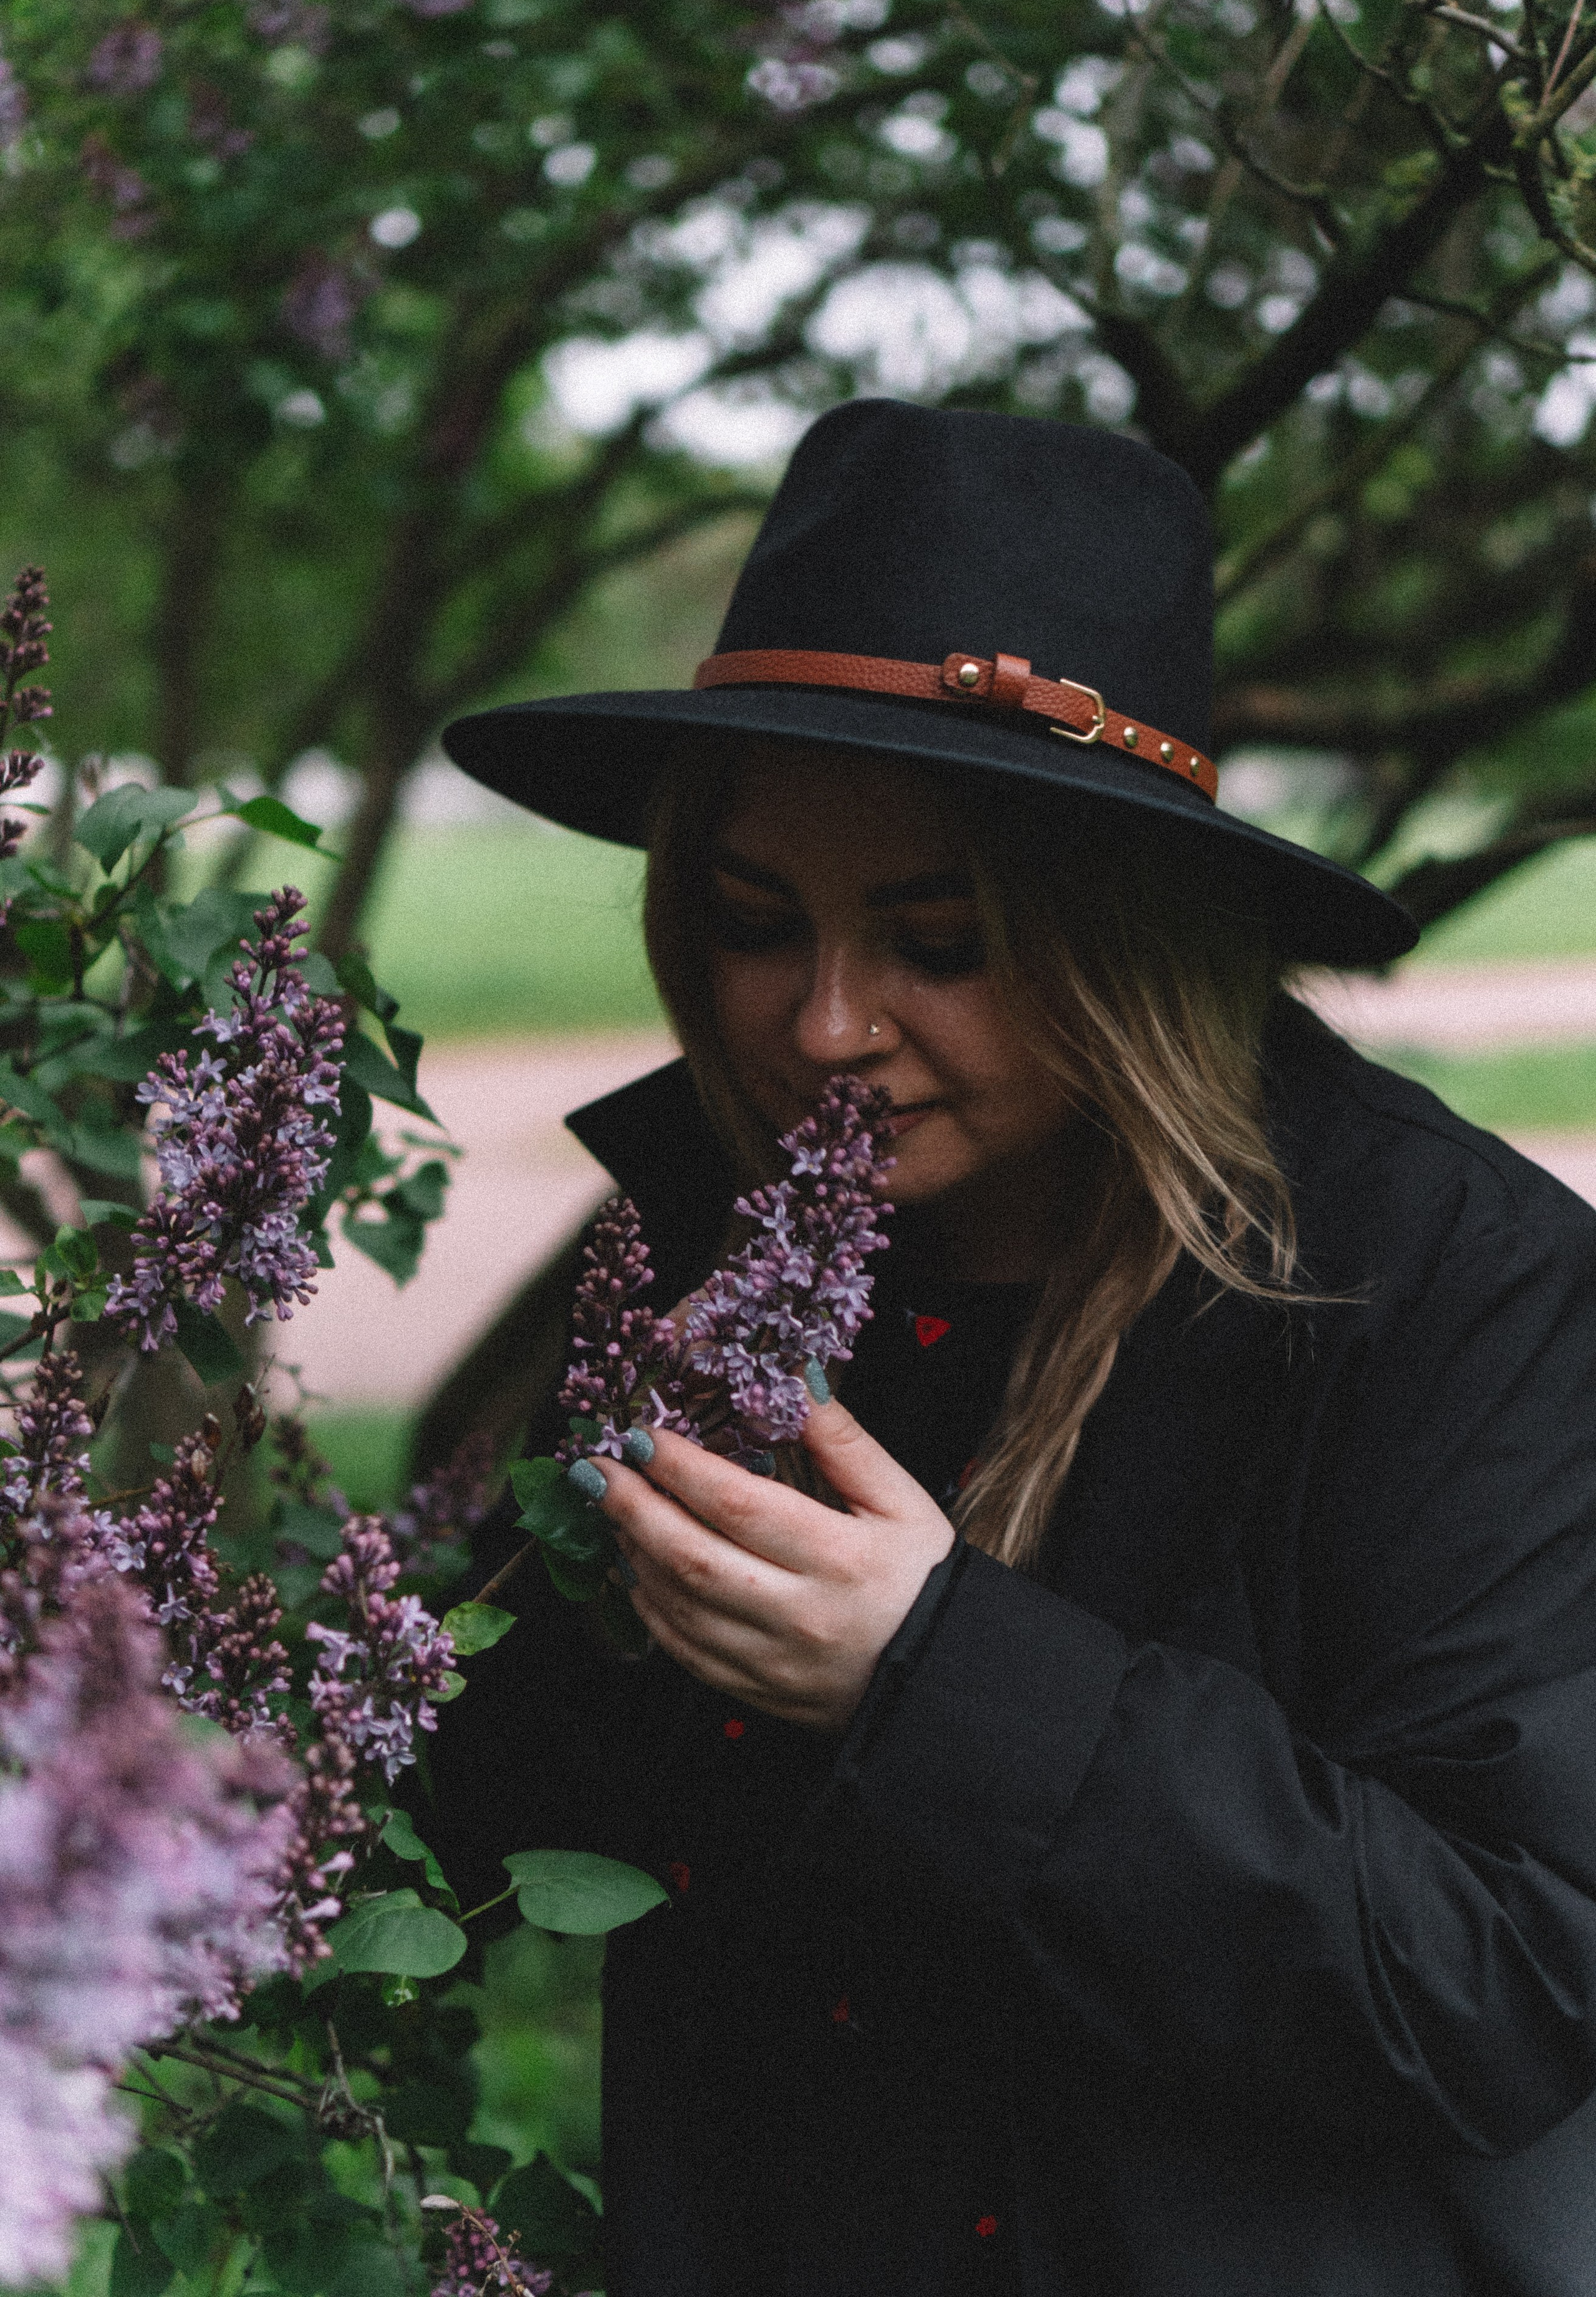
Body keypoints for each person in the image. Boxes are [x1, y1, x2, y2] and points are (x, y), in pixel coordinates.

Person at [426, 400, 1596, 2296]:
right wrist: (578, 1585)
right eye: (750, 923)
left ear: (1124, 931)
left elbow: (1504, 1980)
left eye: (938, 940)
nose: (822, 1025)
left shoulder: (1451, 1283)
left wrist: (937, 1676)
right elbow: (499, 1820)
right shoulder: (705, 1245)